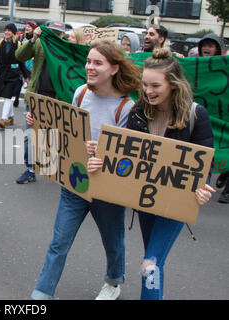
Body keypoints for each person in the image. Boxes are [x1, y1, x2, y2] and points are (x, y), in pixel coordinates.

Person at [88, 48, 216, 299]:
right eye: (145, 85)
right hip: (145, 202)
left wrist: (203, 188)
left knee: (151, 265)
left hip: (177, 203)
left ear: (173, 84)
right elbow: (125, 160)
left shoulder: (195, 115)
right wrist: (101, 161)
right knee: (153, 261)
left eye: (155, 85)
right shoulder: (138, 112)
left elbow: (204, 162)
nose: (148, 91)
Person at [28, 40, 141, 300]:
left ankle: (113, 281)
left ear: (114, 68)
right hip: (75, 181)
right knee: (59, 242)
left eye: (97, 63)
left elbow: (125, 157)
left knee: (113, 242)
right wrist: (40, 123)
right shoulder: (80, 93)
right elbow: (66, 131)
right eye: (89, 61)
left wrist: (102, 154)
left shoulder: (126, 108)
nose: (89, 67)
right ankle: (42, 293)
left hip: (107, 189)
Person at [14, 21, 66, 184]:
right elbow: (20, 56)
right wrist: (33, 38)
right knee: (30, 136)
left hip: (56, 100)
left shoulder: (65, 48)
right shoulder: (39, 44)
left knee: (53, 136)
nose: (54, 35)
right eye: (51, 32)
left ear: (62, 35)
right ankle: (30, 169)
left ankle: (54, 164)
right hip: (36, 97)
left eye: (57, 33)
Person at [197, 33, 229, 203]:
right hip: (203, 116)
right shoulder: (194, 63)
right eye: (204, 44)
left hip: (222, 116)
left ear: (218, 49)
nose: (207, 48)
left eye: (211, 45)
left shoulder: (225, 66)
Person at [0, 23, 30, 129]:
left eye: (9, 30)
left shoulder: (18, 44)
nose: (7, 32)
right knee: (6, 96)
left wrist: (25, 76)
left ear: (13, 33)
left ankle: (3, 118)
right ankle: (11, 117)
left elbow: (21, 62)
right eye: (6, 30)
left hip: (13, 74)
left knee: (7, 96)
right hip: (1, 74)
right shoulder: (1, 42)